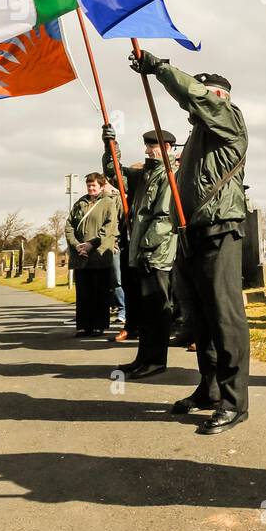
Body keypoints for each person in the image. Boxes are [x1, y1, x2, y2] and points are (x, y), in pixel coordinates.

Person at [129, 52, 251, 435]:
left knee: (224, 316)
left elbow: (196, 97)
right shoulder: (198, 135)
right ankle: (210, 389)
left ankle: (234, 402)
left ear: (220, 96)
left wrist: (160, 68)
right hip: (191, 233)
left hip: (220, 229)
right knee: (198, 316)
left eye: (205, 92)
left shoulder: (229, 120)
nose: (194, 104)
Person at [103, 126, 180, 379]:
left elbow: (163, 217)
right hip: (141, 252)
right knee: (145, 309)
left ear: (166, 148)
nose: (148, 151)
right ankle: (143, 357)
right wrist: (110, 147)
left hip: (156, 253)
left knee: (157, 307)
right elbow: (115, 174)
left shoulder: (169, 175)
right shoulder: (145, 174)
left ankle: (156, 360)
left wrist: (147, 248)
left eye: (152, 146)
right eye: (146, 146)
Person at [65, 173, 119, 338]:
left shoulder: (109, 203)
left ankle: (98, 325)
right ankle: (83, 325)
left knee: (99, 292)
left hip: (99, 255)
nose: (91, 188)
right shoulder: (80, 203)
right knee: (83, 293)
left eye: (94, 185)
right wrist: (77, 245)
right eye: (89, 185)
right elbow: (69, 226)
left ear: (102, 186)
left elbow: (109, 228)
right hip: (81, 256)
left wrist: (91, 244)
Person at [101, 180, 131, 333]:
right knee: (107, 280)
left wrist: (114, 242)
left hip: (115, 244)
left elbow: (117, 224)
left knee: (118, 279)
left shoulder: (117, 199)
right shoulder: (98, 201)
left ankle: (123, 310)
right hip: (100, 246)